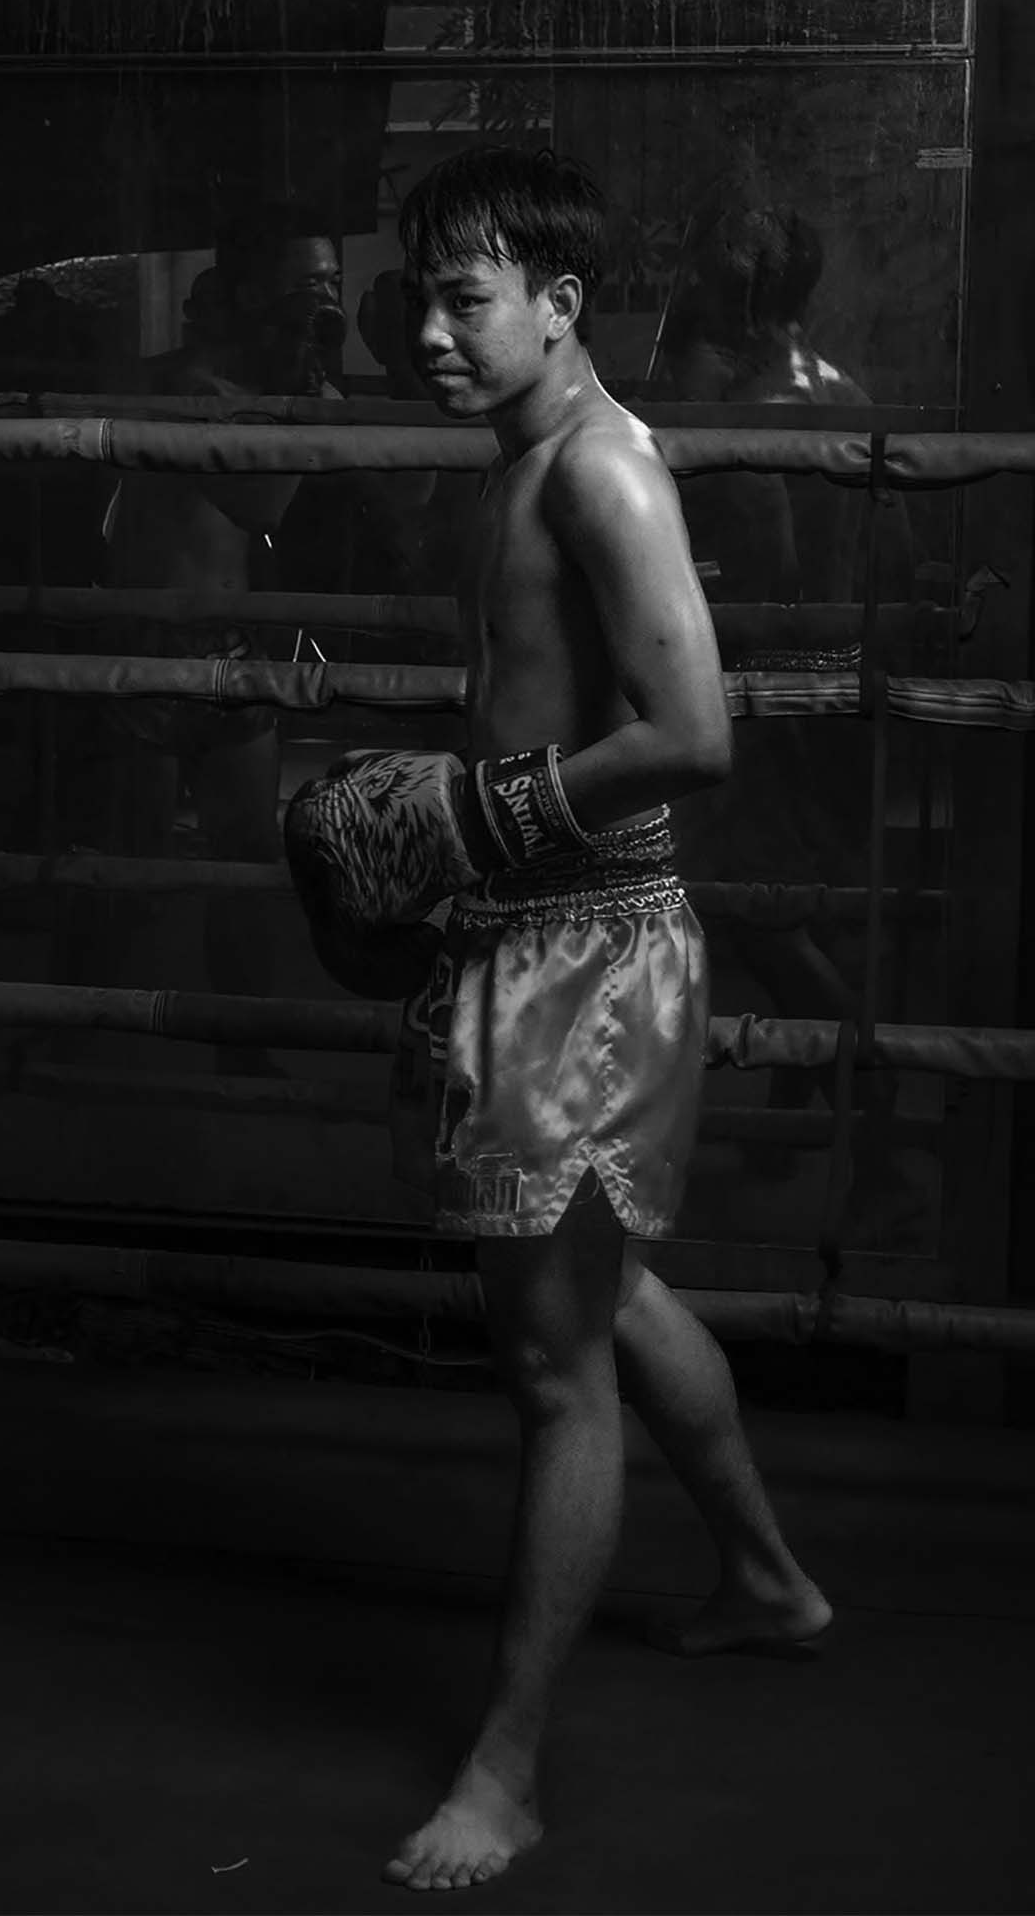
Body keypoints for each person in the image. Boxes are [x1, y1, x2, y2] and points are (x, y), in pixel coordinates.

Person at [310, 145, 832, 1892]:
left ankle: (508, 1769)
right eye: (426, 300)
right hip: (531, 932)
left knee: (553, 1369)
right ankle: (767, 1577)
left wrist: (473, 819)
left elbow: (695, 732)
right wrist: (472, 839)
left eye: (468, 303)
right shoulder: (522, 453)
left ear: (560, 304)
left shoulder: (601, 470)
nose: (435, 337)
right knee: (610, 1289)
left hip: (589, 957)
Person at [658, 198, 913, 1191]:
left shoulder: (751, 401)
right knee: (781, 898)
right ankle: (805, 1110)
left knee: (752, 904)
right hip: (828, 672)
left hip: (770, 678)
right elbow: (888, 543)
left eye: (718, 261)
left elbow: (761, 559)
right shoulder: (830, 383)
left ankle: (878, 1130)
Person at [73, 211, 347, 1069]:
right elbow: (258, 506)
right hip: (151, 645)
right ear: (250, 291)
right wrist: (311, 406)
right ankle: (78, 1032)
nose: (324, 302)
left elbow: (407, 500)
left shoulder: (281, 380)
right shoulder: (189, 383)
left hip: (234, 642)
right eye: (307, 284)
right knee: (132, 859)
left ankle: (240, 1040)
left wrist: (316, 397)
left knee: (247, 854)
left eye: (331, 283)